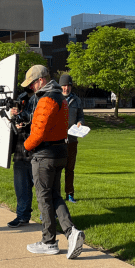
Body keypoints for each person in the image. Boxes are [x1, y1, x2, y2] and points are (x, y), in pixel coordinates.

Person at [21, 65, 85, 259]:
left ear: (41, 80)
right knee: (55, 195)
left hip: (44, 156)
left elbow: (38, 132)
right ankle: (71, 233)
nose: (31, 87)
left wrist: (26, 146)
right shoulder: (62, 98)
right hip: (60, 152)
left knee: (43, 197)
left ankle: (48, 242)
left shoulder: (46, 99)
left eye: (32, 83)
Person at [7, 88, 37, 228]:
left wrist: (25, 119)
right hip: (20, 148)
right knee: (21, 188)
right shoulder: (20, 98)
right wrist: (13, 115)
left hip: (36, 150)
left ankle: (50, 217)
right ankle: (22, 216)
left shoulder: (41, 98)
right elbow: (13, 122)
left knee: (42, 189)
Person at [59, 74, 85, 203]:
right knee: (57, 169)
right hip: (58, 141)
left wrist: (80, 122)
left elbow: (81, 116)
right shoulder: (56, 98)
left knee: (70, 168)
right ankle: (56, 195)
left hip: (72, 140)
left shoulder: (77, 100)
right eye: (64, 86)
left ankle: (70, 194)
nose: (66, 88)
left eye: (68, 86)